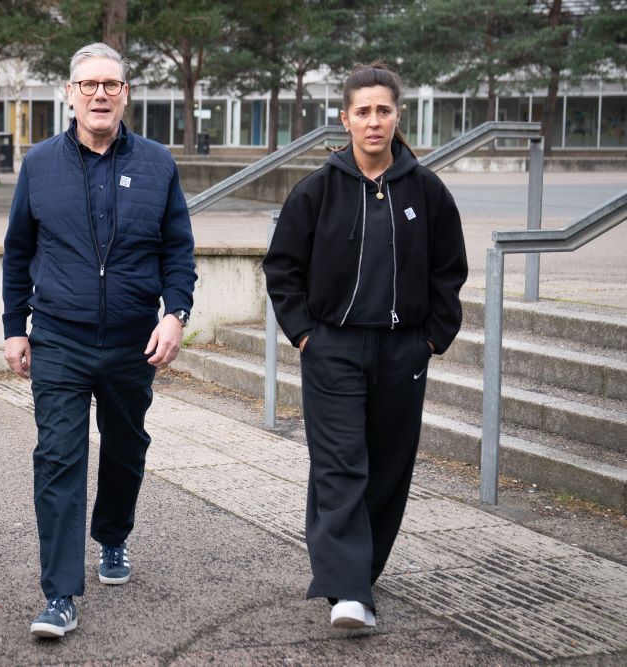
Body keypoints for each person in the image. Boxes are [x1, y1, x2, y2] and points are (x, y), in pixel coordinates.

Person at [262, 62, 467, 630]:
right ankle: (348, 592)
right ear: (345, 119)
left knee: (387, 468)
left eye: (383, 110)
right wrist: (304, 334)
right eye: (362, 112)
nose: (373, 122)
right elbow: (282, 268)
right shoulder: (316, 190)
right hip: (332, 349)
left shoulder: (427, 191)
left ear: (396, 115)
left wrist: (433, 337)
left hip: (403, 352)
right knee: (340, 465)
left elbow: (450, 268)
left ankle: (360, 573)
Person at [2, 42, 196, 639]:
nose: (100, 95)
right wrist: (15, 328)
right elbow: (18, 252)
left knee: (125, 449)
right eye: (88, 85)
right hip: (59, 337)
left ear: (126, 95)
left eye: (111, 85)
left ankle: (113, 535)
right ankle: (59, 594)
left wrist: (176, 315)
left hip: (133, 342)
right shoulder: (38, 165)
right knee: (59, 458)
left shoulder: (159, 164)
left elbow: (177, 251)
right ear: (69, 94)